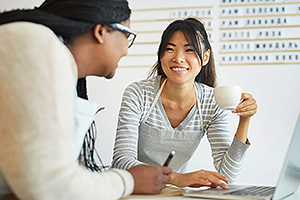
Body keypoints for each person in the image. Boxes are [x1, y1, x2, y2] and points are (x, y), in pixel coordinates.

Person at [0, 0, 172, 199]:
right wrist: (129, 181)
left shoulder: (54, 56)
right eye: (127, 36)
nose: (126, 49)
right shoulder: (40, 46)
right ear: (101, 31)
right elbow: (52, 187)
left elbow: (42, 182)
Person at [112, 17, 258, 188]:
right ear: (161, 56)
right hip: (133, 190)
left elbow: (227, 176)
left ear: (205, 57)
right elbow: (121, 161)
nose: (179, 58)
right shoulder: (138, 94)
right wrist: (174, 178)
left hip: (176, 194)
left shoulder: (211, 101)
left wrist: (245, 119)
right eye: (170, 49)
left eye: (189, 50)